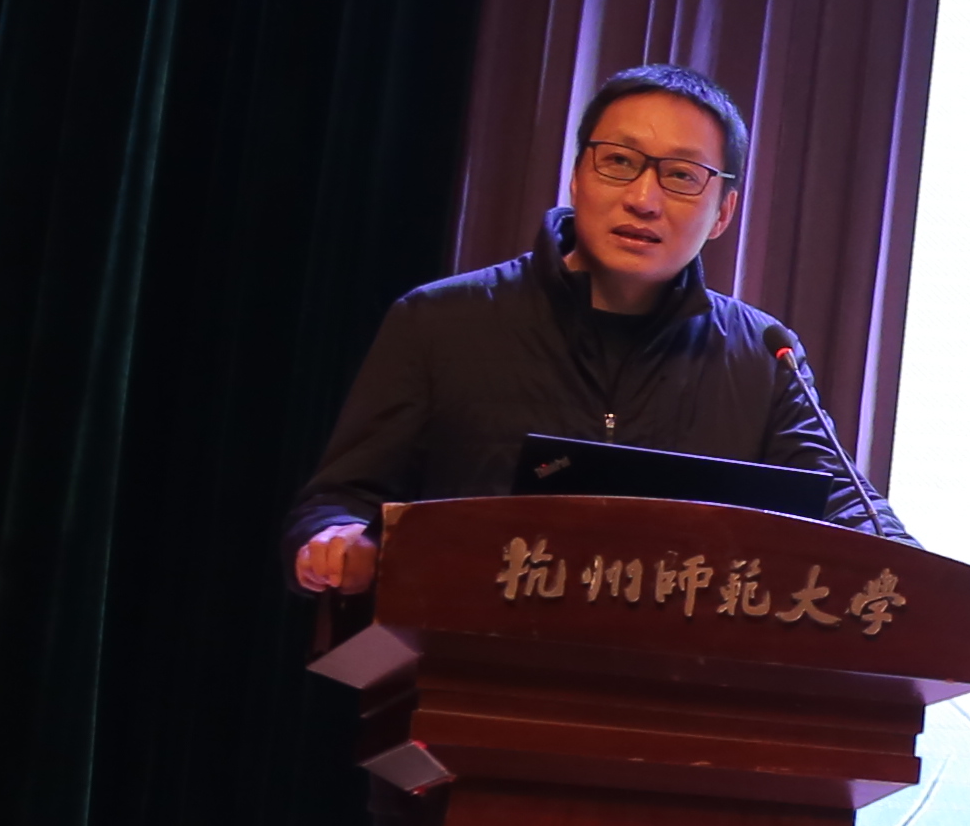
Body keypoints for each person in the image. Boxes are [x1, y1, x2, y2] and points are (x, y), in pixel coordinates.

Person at [285, 63, 906, 589]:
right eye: (619, 162)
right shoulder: (441, 321)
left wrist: (922, 577)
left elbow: (844, 505)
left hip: (676, 681)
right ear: (578, 176)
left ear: (724, 212)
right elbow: (341, 499)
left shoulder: (762, 356)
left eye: (682, 176)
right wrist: (337, 537)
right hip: (466, 667)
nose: (643, 199)